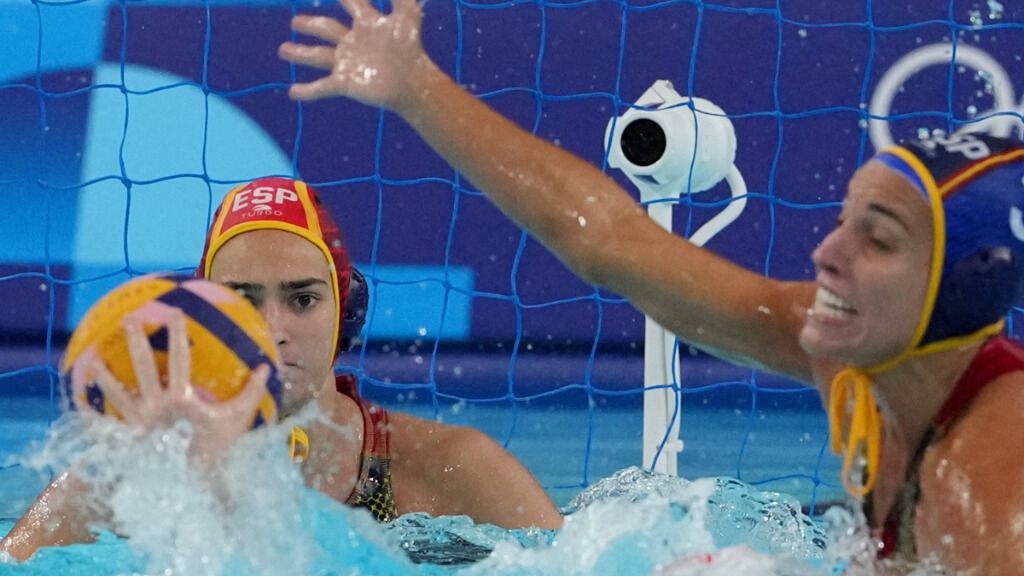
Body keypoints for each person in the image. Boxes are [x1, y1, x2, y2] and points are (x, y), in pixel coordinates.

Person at [277, 1, 1024, 572]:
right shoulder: (858, 351)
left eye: (879, 239)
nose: (828, 252)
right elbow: (607, 238)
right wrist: (417, 88)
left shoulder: (994, 490)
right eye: (845, 219)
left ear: (963, 286)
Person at [1, 178, 561, 562]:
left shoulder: (454, 471)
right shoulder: (121, 480)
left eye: (302, 299)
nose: (271, 330)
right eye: (242, 299)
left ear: (346, 312)